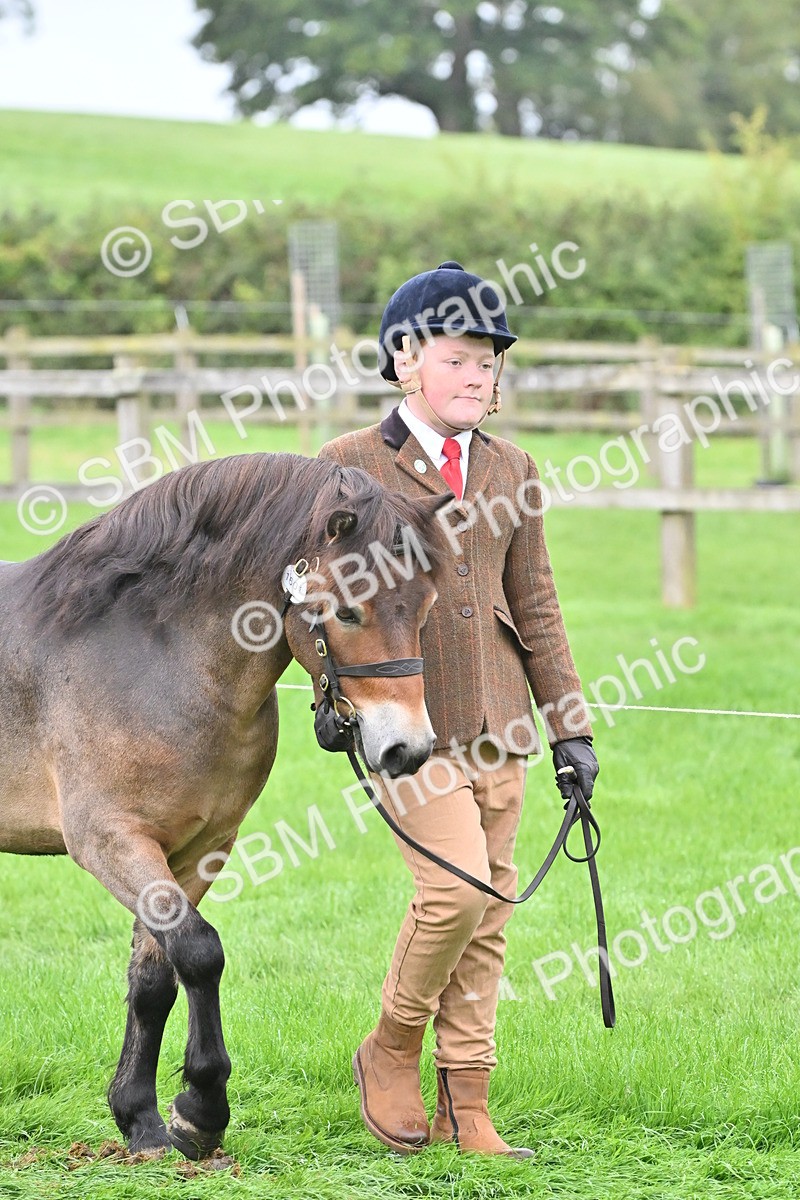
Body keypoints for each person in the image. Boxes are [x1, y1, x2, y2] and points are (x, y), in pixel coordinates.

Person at [317, 261, 599, 1159]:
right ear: (405, 360)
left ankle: (469, 1106)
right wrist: (329, 696)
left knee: (492, 915)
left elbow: (541, 605)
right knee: (451, 895)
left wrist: (571, 727)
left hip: (503, 724)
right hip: (406, 728)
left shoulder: (514, 467)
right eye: (460, 358)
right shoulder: (348, 467)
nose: (481, 376)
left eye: (491, 361)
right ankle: (392, 1043)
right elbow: (313, 597)